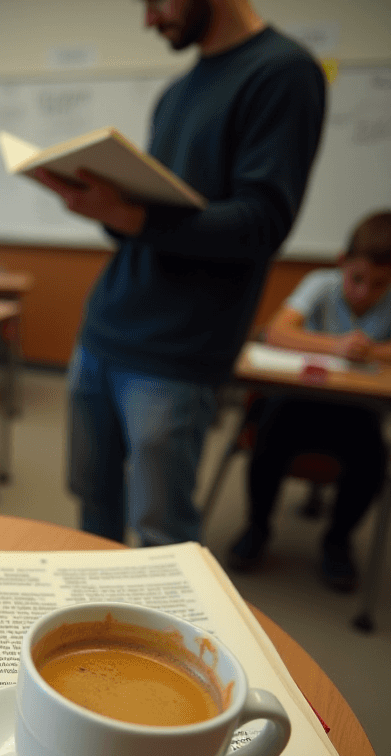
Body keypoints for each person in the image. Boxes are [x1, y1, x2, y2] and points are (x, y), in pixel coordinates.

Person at [36, 0, 326, 547]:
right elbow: (156, 220)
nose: (148, 20)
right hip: (103, 332)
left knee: (160, 534)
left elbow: (262, 223)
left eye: (155, 3)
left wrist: (134, 216)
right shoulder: (178, 92)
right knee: (92, 505)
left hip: (176, 355)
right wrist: (108, 209)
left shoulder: (283, 73)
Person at [228, 210, 391, 590]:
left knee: (372, 458)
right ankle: (257, 526)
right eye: (357, 279)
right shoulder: (320, 283)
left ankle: (337, 541)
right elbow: (276, 332)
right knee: (268, 434)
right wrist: (336, 345)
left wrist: (372, 352)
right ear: (342, 263)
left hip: (355, 412)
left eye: (379, 284)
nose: (364, 292)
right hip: (298, 404)